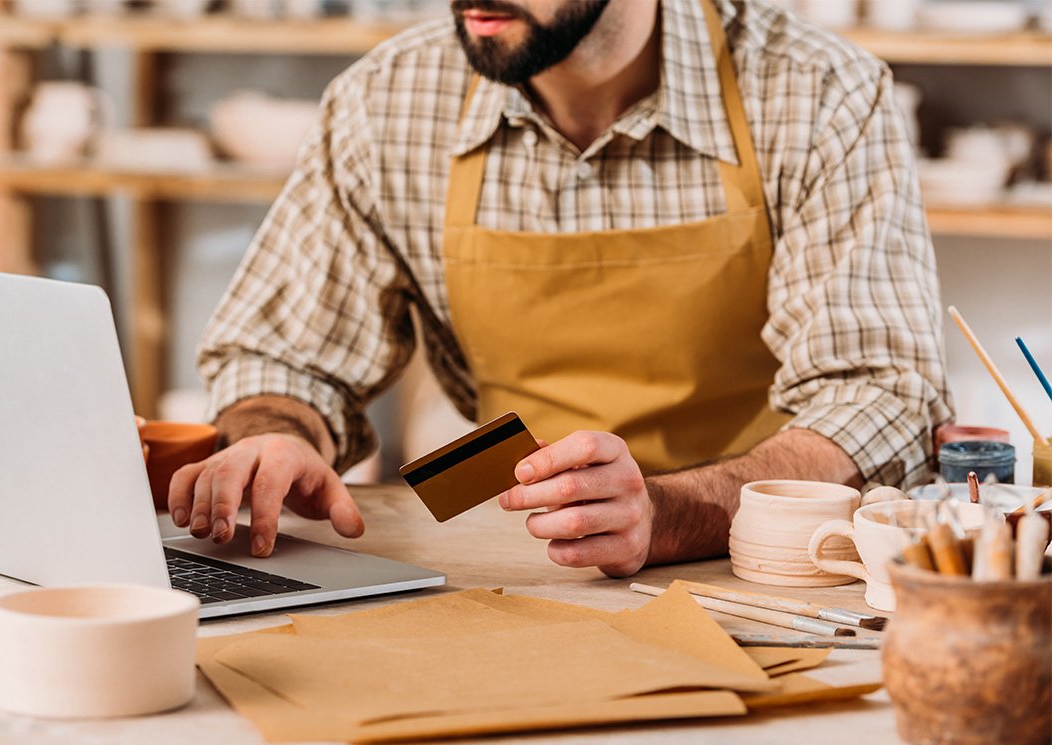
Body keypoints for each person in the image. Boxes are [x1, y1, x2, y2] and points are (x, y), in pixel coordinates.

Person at [169, 0, 952, 578]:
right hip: (513, 559)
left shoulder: (817, 92)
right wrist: (277, 432)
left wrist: (666, 513)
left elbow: (881, 396)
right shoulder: (388, 101)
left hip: (760, 567)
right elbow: (285, 358)